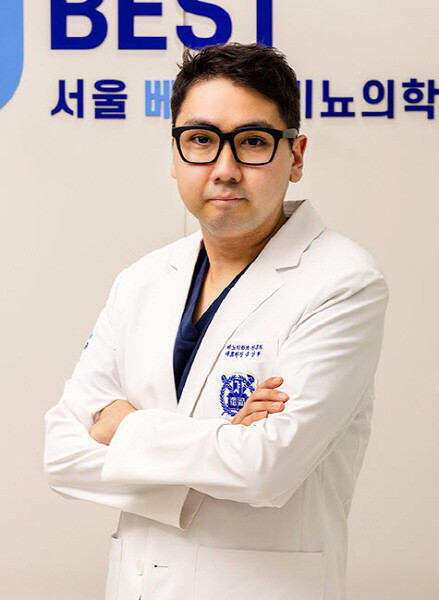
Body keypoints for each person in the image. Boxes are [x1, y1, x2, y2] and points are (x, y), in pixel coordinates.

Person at [44, 42, 389, 600]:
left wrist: (122, 429)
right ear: (175, 155)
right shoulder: (141, 280)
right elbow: (61, 454)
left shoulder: (343, 282)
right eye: (201, 140)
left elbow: (265, 470)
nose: (225, 170)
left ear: (296, 156)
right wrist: (225, 441)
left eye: (252, 141)